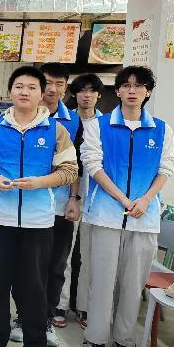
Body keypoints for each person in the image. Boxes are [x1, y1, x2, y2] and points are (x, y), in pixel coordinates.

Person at [0, 66, 78, 347]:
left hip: (39, 221)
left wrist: (40, 182)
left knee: (34, 284)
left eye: (31, 87)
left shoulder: (55, 130)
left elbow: (70, 170)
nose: (24, 92)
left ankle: (35, 345)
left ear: (41, 94)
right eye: (19, 86)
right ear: (10, 92)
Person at [81, 66, 174, 347]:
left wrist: (145, 200)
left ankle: (124, 340)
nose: (132, 90)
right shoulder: (99, 125)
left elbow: (166, 169)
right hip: (106, 215)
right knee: (102, 279)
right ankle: (96, 338)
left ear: (148, 92)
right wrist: (123, 199)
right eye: (126, 85)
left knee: (134, 282)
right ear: (118, 91)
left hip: (144, 217)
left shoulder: (162, 129)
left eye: (139, 85)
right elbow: (93, 165)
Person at [9, 62, 82, 347]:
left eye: (58, 84)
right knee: (23, 265)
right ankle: (21, 318)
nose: (52, 89)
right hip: (24, 207)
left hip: (60, 206)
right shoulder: (13, 119)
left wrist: (74, 198)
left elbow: (76, 166)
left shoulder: (73, 121)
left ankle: (46, 319)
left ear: (66, 88)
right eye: (47, 82)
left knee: (54, 266)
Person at [57, 73, 104, 327]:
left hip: (98, 193)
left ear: (99, 95)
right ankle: (60, 303)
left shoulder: (106, 124)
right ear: (74, 94)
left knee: (89, 253)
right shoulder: (67, 121)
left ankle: (84, 306)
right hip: (69, 191)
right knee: (65, 251)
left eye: (92, 91)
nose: (87, 95)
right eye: (82, 90)